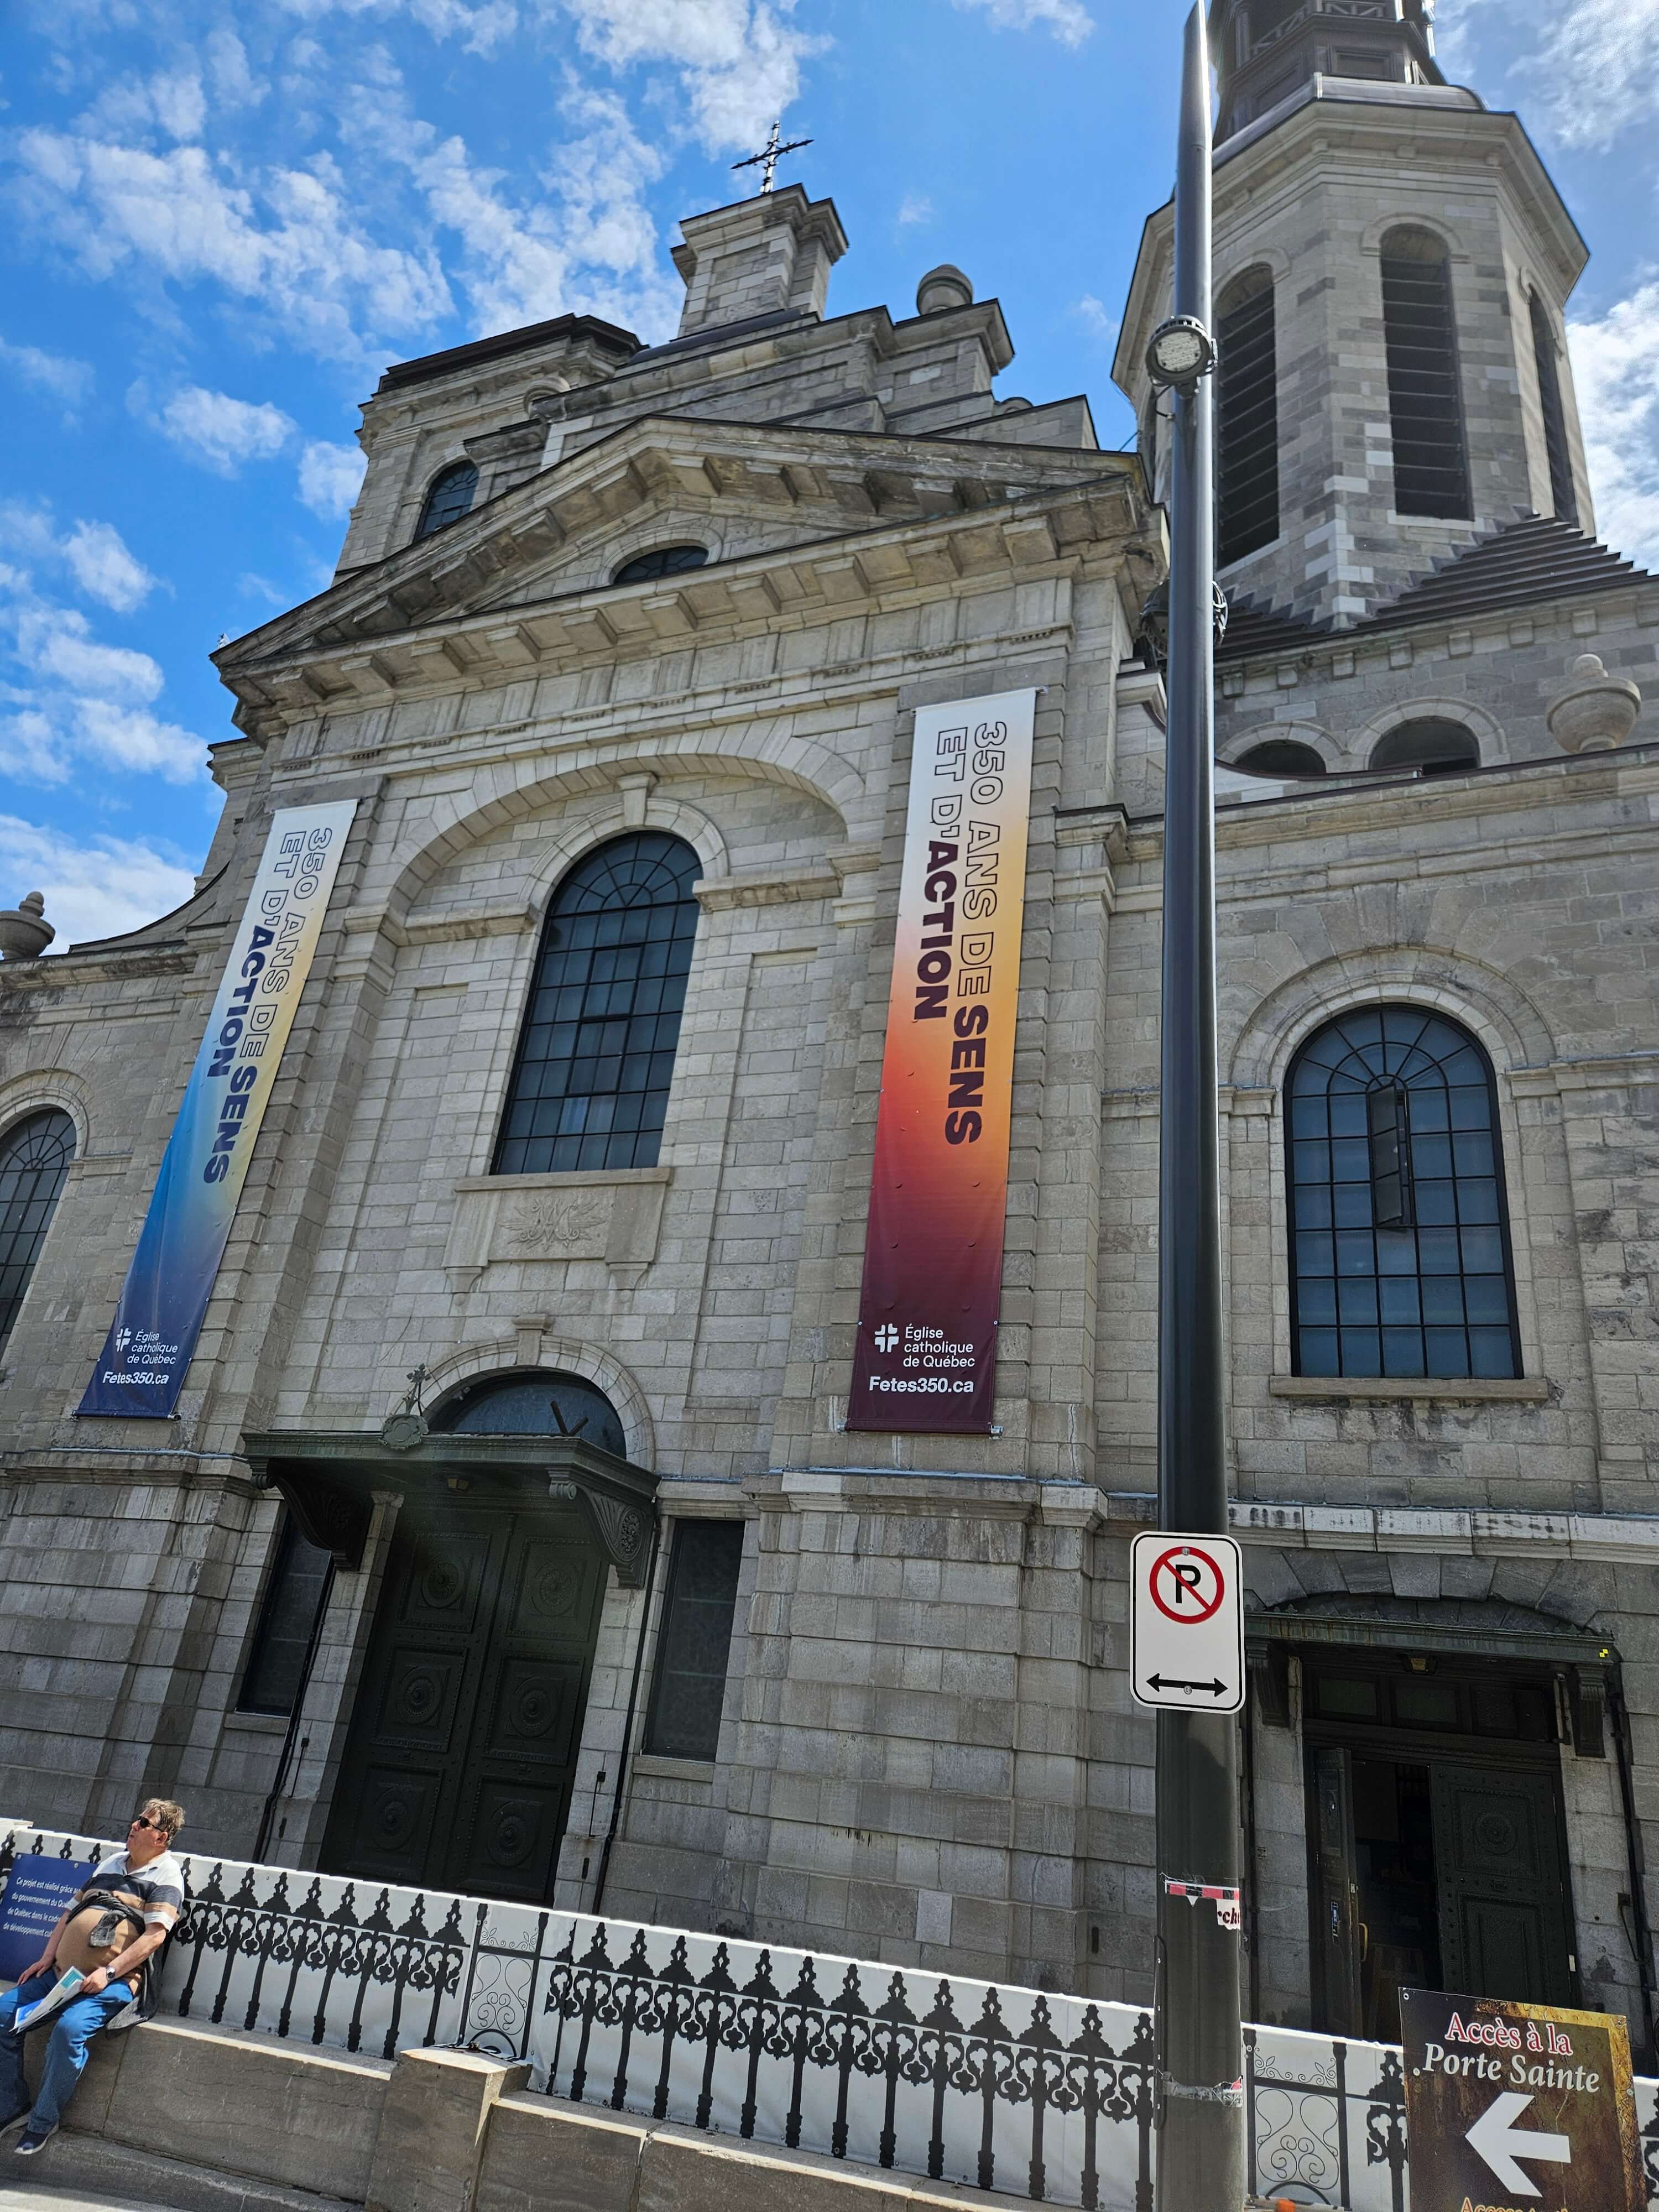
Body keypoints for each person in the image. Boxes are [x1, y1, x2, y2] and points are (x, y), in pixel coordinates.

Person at [0, 1799, 186, 2158]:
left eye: (144, 1823)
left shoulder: (166, 1876)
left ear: (161, 1838)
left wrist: (109, 1971)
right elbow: (70, 1913)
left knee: (69, 2030)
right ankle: (11, 2105)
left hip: (113, 1982)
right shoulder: (112, 1863)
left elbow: (154, 1937)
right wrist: (48, 1956)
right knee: (2, 2015)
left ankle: (43, 2120)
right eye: (137, 1819)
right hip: (60, 1977)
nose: (134, 1825)